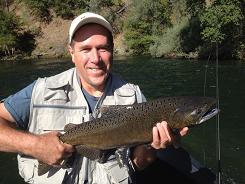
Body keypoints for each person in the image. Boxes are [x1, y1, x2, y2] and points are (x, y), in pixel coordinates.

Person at [0, 12, 188, 184]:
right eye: (85, 49)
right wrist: (34, 145)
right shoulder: (41, 90)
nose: (95, 58)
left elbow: (139, 163)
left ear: (112, 51)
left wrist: (152, 146)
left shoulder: (134, 96)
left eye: (103, 48)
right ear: (71, 53)